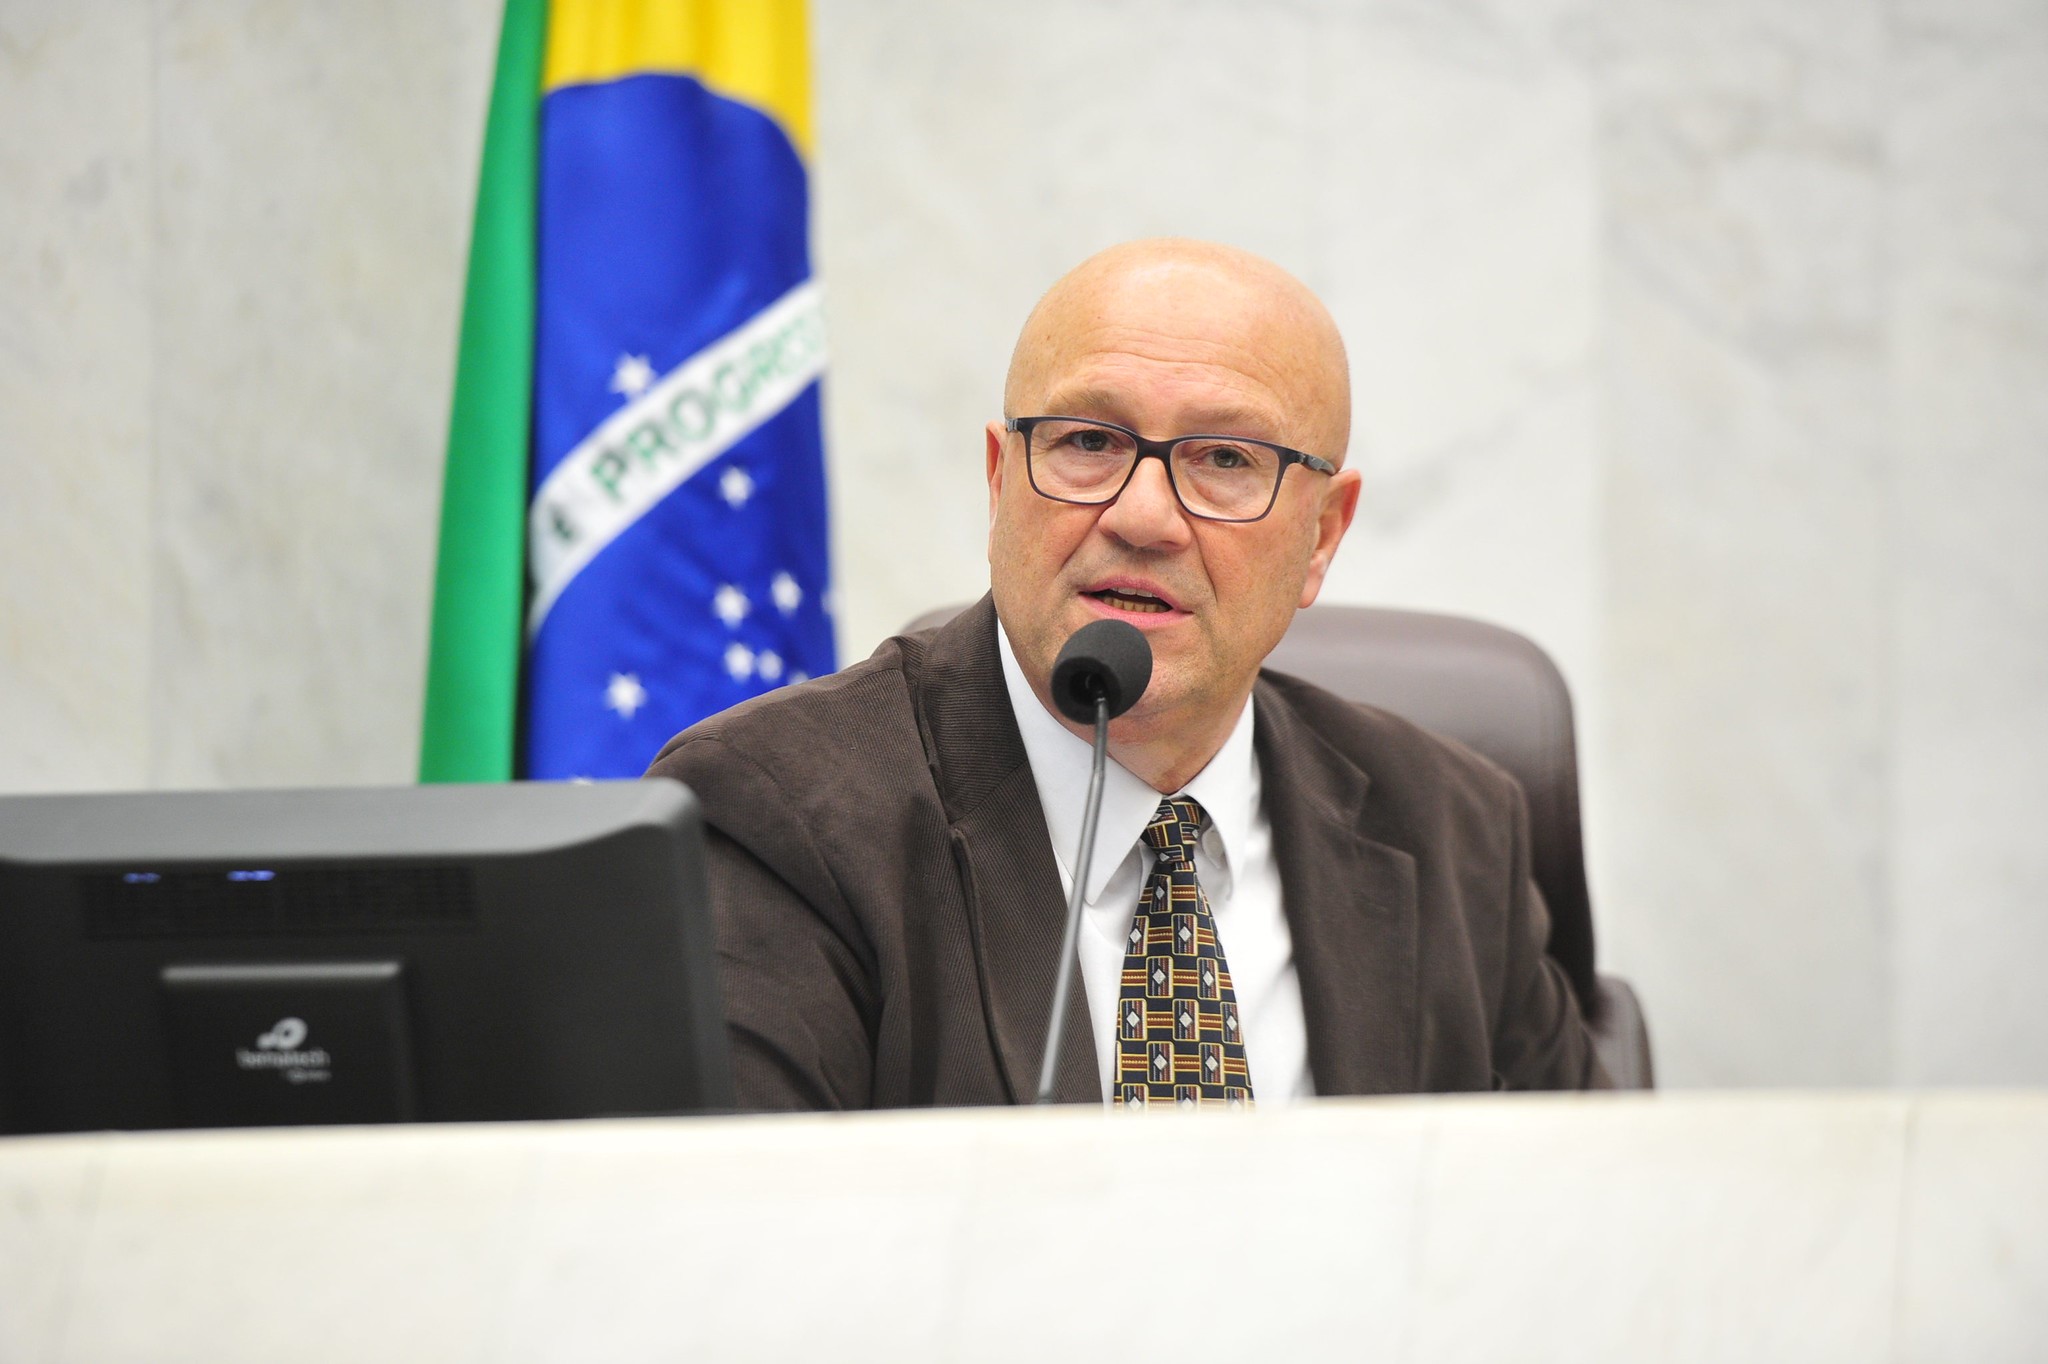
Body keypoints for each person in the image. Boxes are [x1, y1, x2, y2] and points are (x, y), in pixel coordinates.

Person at [648, 238, 1609, 1108]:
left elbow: (1579, 1214)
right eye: (1089, 442)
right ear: (1000, 480)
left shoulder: (1454, 834)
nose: (1143, 518)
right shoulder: (778, 815)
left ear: (1322, 536)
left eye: (1225, 458)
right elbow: (751, 1230)